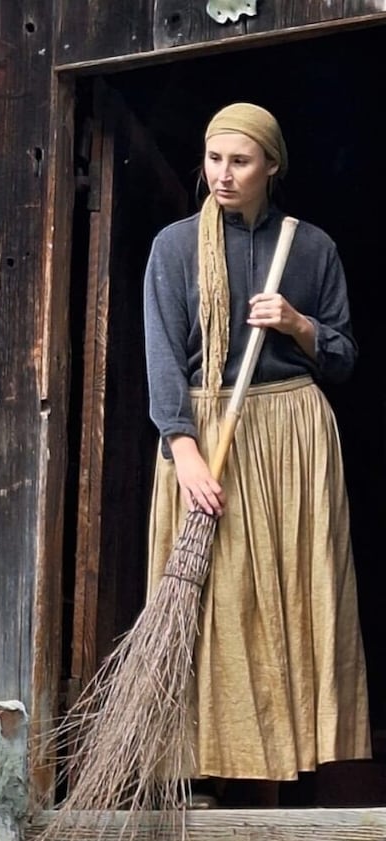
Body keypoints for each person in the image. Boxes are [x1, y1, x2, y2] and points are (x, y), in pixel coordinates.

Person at [143, 102, 370, 804]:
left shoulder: (312, 249)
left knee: (296, 599)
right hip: (203, 432)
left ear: (271, 165)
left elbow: (343, 359)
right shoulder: (176, 248)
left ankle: (291, 774)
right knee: (213, 604)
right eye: (214, 160)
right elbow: (160, 357)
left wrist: (299, 324)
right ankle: (207, 773)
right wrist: (181, 448)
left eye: (239, 161)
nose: (223, 175)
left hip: (292, 436)